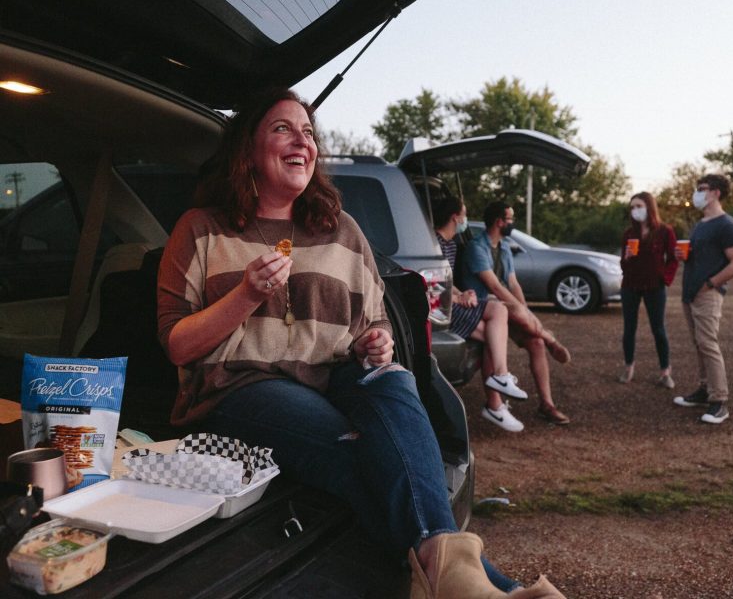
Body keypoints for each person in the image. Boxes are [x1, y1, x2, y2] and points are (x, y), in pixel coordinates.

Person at [157, 88, 565, 599]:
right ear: (248, 151)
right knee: (363, 452)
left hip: (336, 376)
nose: (301, 140)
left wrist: (379, 342)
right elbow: (177, 345)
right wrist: (244, 295)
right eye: (282, 128)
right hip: (242, 386)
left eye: (308, 132)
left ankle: (453, 577)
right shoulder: (200, 230)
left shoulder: (342, 231)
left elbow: (375, 321)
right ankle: (485, 584)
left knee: (393, 379)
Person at [462, 201, 571, 425]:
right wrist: (521, 311)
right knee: (523, 325)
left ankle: (547, 405)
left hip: (505, 308)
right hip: (484, 306)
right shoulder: (477, 247)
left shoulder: (504, 247)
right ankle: (549, 337)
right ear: (499, 222)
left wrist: (526, 313)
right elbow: (494, 287)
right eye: (510, 219)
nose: (512, 223)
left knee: (536, 343)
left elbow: (512, 283)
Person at [432, 194, 527, 432]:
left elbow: (447, 280)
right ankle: (500, 382)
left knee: (493, 336)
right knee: (498, 312)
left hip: (451, 301)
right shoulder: (434, 243)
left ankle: (496, 402)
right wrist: (457, 297)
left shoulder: (451, 244)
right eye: (463, 214)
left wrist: (462, 293)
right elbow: (432, 284)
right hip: (440, 308)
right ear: (455, 217)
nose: (465, 219)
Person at [673, 174, 733, 425]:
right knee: (699, 344)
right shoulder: (702, 223)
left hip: (707, 294)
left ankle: (719, 402)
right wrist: (684, 255)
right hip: (690, 292)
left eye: (702, 189)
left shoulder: (726, 224)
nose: (697, 193)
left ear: (715, 192)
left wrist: (711, 283)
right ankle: (705, 390)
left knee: (708, 344)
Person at [618, 191, 679, 387]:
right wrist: (626, 257)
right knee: (629, 328)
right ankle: (628, 367)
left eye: (639, 206)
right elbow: (623, 265)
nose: (635, 210)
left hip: (654, 286)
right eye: (632, 207)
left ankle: (665, 372)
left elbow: (673, 259)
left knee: (658, 329)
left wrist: (665, 278)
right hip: (630, 285)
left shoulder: (664, 231)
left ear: (649, 207)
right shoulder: (629, 234)